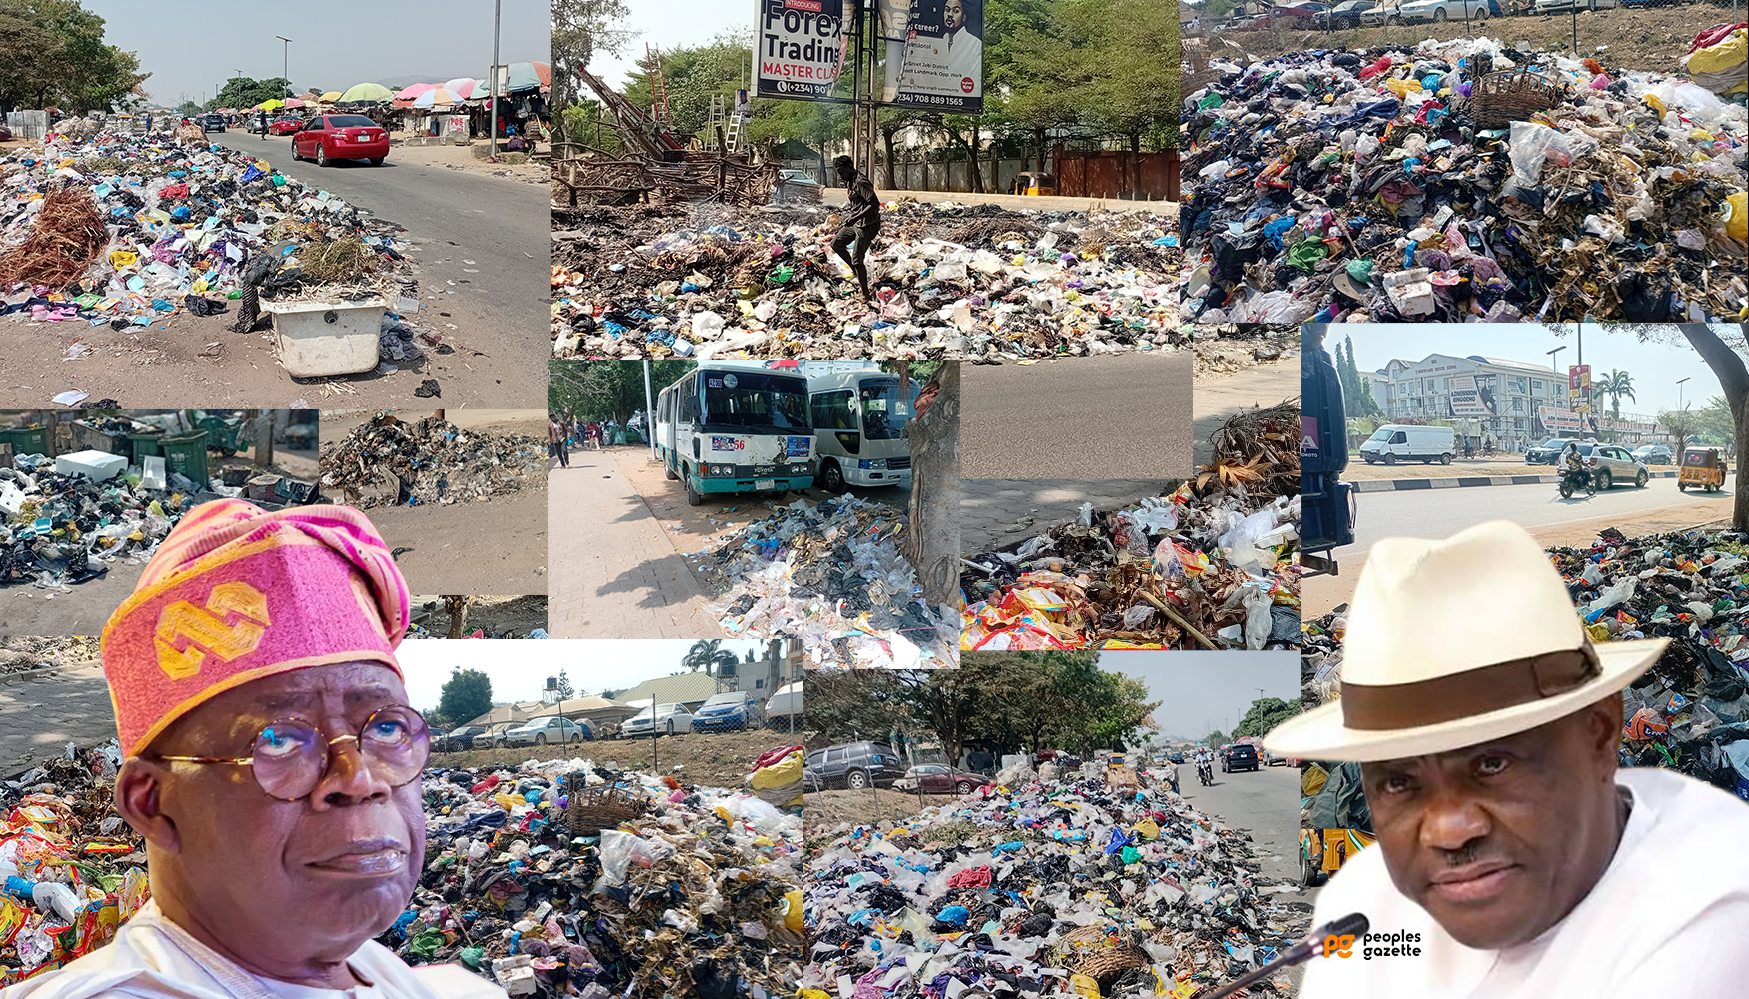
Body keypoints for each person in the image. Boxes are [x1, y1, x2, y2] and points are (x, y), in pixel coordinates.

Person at [9, 500, 504, 999]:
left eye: (388, 730)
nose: (361, 780)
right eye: (281, 741)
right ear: (151, 803)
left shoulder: (379, 970)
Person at [1266, 520, 1749, 999]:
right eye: (1397, 782)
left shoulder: (1708, 924)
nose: (1448, 831)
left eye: (1492, 764)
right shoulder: (1360, 909)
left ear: (1600, 733)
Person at [830, 155, 880, 300]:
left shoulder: (860, 182)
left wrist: (855, 217)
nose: (841, 176)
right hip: (856, 223)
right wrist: (853, 218)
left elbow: (874, 204)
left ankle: (866, 294)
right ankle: (856, 271)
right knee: (836, 244)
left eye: (842, 172)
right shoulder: (851, 181)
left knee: (857, 259)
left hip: (867, 225)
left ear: (849, 168)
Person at [942, 0, 983, 92]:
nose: (950, 15)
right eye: (947, 10)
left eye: (955, 11)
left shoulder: (975, 44)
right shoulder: (941, 41)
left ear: (964, 17)